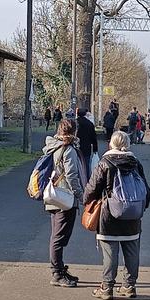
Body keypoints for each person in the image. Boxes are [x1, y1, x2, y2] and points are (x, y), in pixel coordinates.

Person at [83, 131, 150, 300]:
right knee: (132, 252)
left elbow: (92, 188)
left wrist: (86, 202)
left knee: (110, 253)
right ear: (127, 144)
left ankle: (107, 288)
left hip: (109, 215)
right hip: (133, 215)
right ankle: (129, 286)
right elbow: (146, 191)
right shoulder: (135, 163)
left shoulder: (105, 163)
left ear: (111, 144)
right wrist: (140, 208)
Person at [42, 119, 84, 287]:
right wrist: (81, 196)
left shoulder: (53, 146)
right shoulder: (68, 149)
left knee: (56, 235)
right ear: (74, 131)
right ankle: (57, 273)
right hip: (64, 197)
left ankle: (59, 269)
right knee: (59, 237)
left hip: (53, 195)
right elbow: (72, 176)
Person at [77, 108, 99, 180]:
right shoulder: (89, 124)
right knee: (86, 164)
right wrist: (95, 148)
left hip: (76, 147)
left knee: (76, 163)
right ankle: (86, 179)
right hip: (87, 147)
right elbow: (93, 137)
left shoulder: (75, 123)